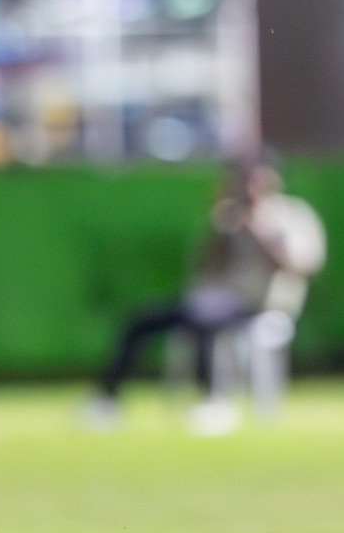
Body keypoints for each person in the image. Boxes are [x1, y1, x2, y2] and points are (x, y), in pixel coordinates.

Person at [89, 165, 325, 427]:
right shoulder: (229, 218)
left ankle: (215, 401)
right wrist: (221, 229)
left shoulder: (291, 216)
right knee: (139, 321)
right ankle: (107, 399)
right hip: (214, 301)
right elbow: (206, 266)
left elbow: (298, 266)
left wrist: (258, 229)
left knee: (210, 328)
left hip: (263, 307)